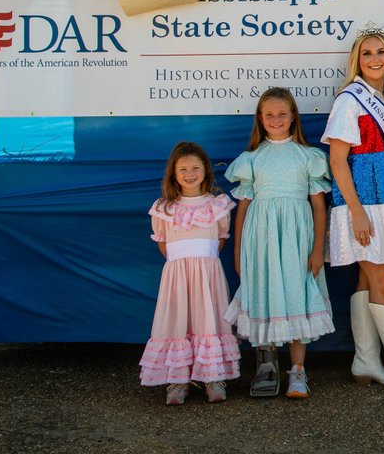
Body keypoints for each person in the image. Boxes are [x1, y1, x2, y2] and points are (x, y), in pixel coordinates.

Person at [321, 23, 384, 396]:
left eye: (381, 52)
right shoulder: (350, 100)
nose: (375, 59)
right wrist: (356, 211)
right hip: (361, 205)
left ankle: (365, 360)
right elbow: (336, 161)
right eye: (367, 53)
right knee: (383, 281)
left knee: (367, 279)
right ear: (357, 61)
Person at [224, 87, 334, 399]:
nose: (276, 119)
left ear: (292, 117)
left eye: (281, 113)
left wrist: (317, 249)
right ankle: (265, 366)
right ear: (260, 118)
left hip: (298, 239)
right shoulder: (252, 159)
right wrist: (237, 252)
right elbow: (243, 209)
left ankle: (297, 372)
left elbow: (318, 206)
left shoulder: (308, 157)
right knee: (264, 293)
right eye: (269, 114)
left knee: (297, 295)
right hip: (260, 242)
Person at [138, 141, 241, 405]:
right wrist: (181, 264)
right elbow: (163, 243)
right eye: (183, 169)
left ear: (206, 170)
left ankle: (213, 377)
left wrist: (200, 262)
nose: (190, 174)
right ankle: (178, 379)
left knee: (209, 319)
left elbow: (220, 239)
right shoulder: (164, 208)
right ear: (173, 173)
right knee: (177, 322)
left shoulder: (217, 205)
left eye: (195, 167)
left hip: (208, 274)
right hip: (176, 276)